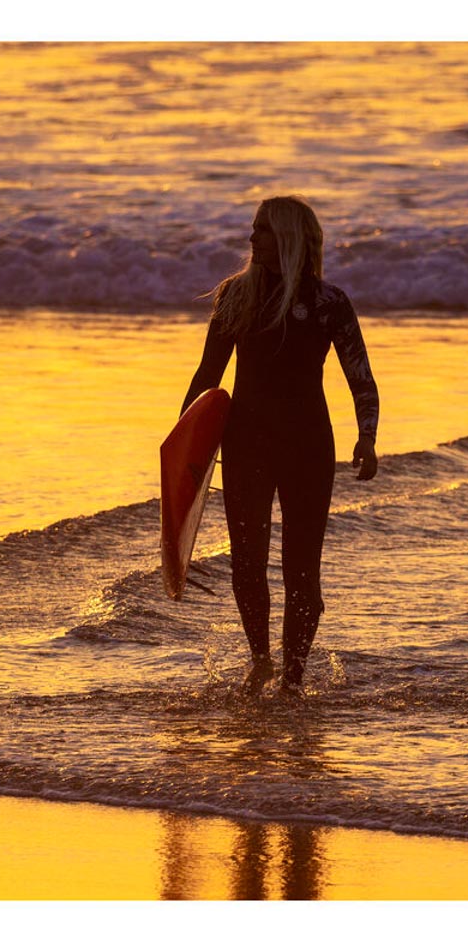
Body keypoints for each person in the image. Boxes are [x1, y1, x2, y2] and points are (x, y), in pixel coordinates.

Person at [181, 196, 379, 694]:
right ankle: (260, 660)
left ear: (288, 237)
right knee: (247, 562)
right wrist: (183, 445)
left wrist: (367, 436)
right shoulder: (236, 296)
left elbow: (360, 375)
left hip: (307, 446)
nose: (252, 239)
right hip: (246, 443)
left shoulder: (329, 303)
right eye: (253, 229)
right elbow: (208, 375)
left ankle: (293, 678)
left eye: (262, 230)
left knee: (301, 571)